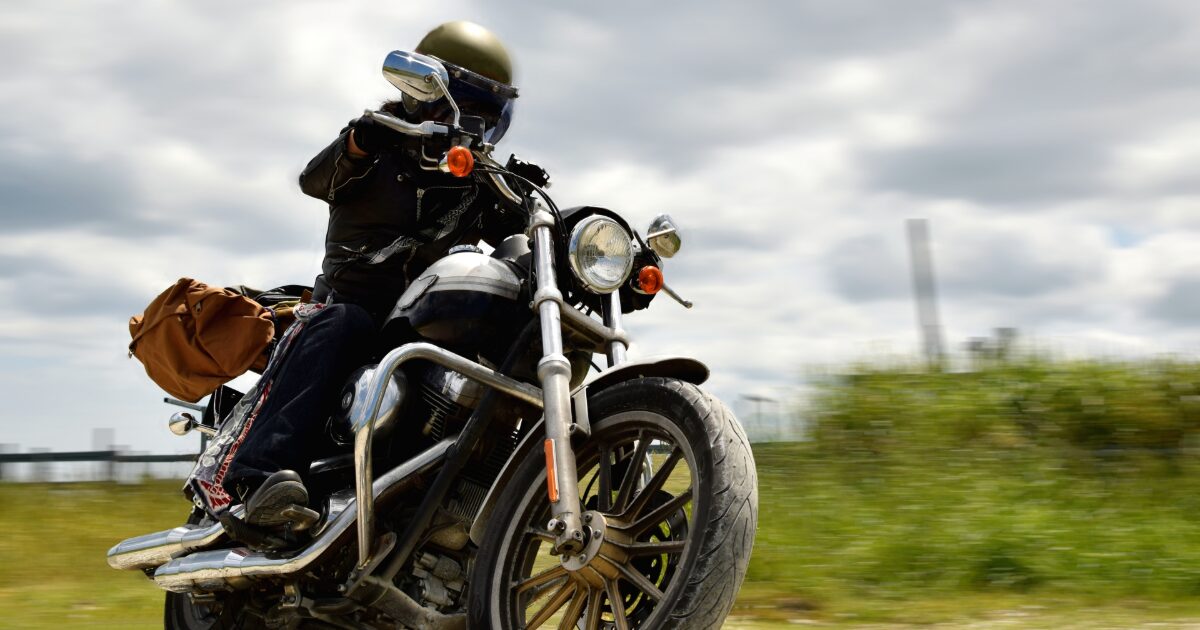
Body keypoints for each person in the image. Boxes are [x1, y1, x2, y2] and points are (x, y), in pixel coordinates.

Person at [185, 21, 526, 529]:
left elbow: (525, 236)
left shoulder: (477, 184)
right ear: (423, 94)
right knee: (346, 321)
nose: (474, 125)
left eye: (488, 115)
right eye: (464, 108)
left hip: (415, 326)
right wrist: (360, 140)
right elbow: (315, 180)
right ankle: (255, 482)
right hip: (344, 309)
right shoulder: (375, 146)